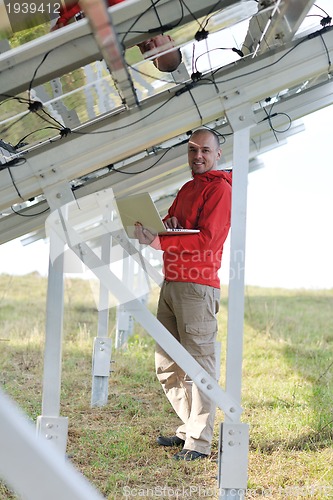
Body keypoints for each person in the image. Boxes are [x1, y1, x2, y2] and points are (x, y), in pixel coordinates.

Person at [134, 129, 232, 461]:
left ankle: (200, 444)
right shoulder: (187, 188)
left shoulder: (220, 190)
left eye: (205, 150)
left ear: (218, 154)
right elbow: (170, 223)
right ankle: (190, 427)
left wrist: (161, 241)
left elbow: (207, 241)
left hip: (197, 287)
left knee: (199, 365)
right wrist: (154, 228)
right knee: (167, 364)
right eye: (192, 150)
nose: (198, 156)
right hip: (172, 282)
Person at [51, 0, 182, 73]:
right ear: (170, 40)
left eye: (152, 58)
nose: (151, 48)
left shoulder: (116, 44)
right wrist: (64, 20)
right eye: (159, 49)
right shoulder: (145, 9)